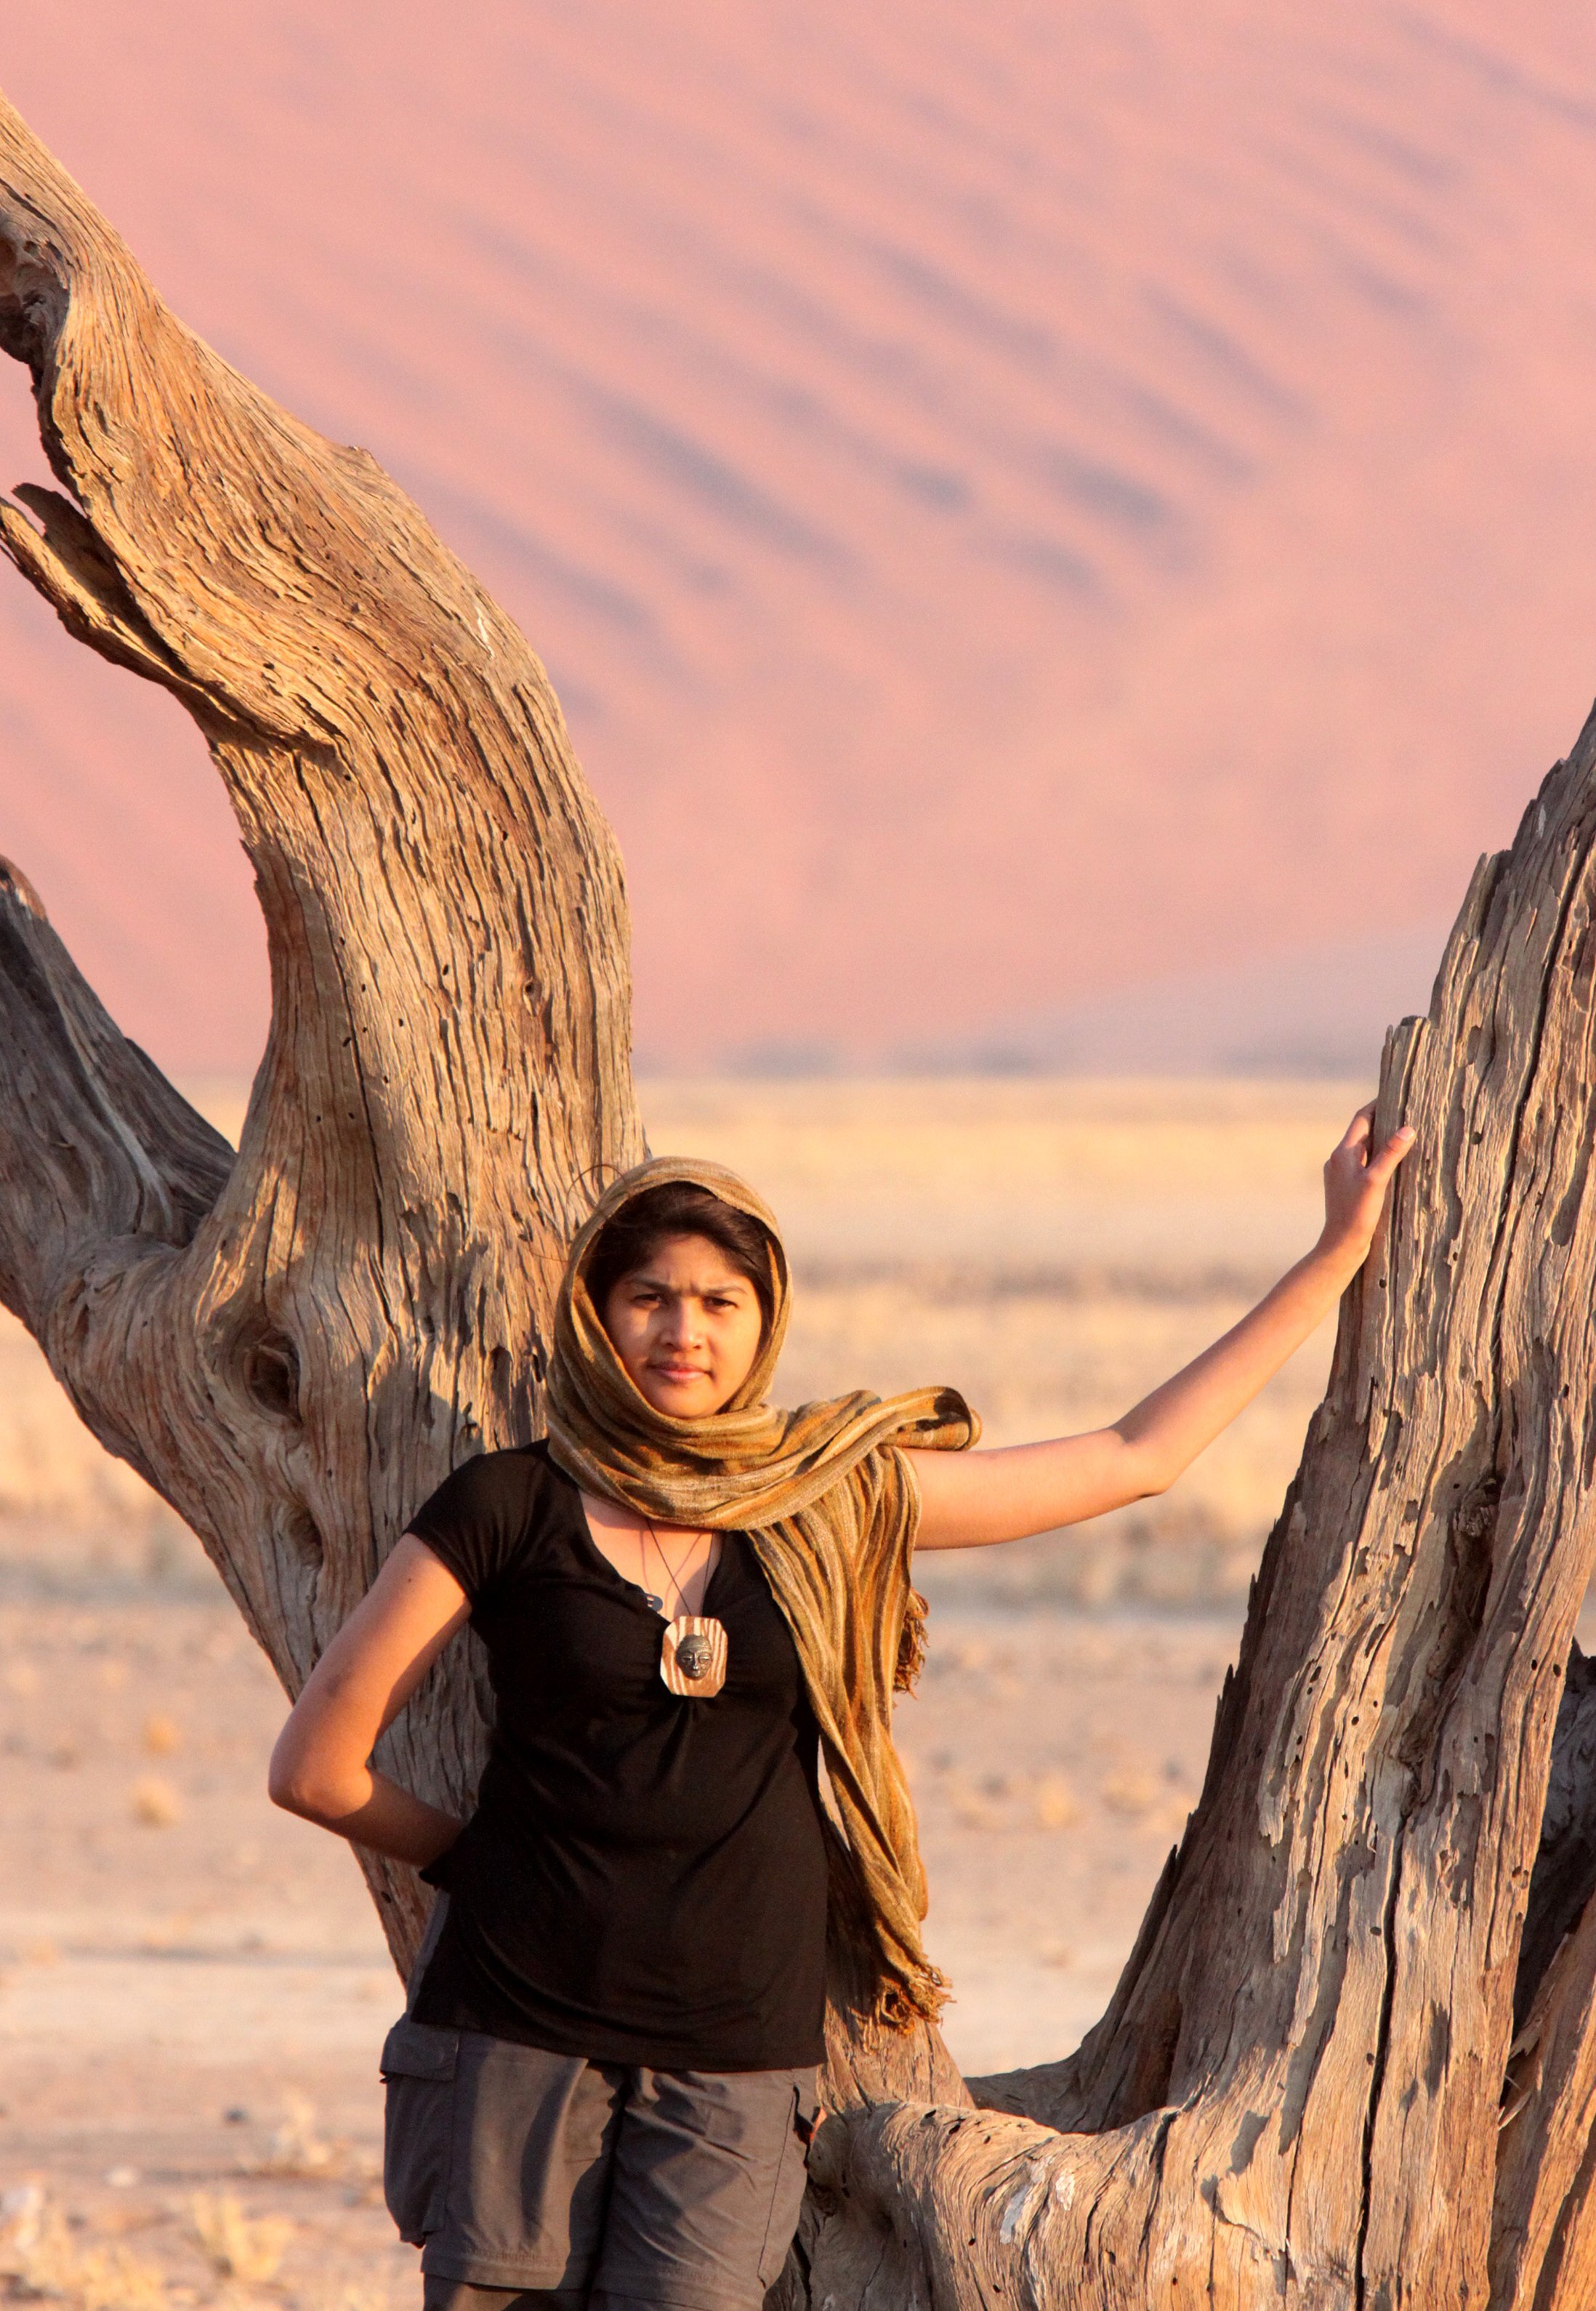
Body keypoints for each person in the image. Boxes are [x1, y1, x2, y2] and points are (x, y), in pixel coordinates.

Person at [268, 1106, 1413, 2311]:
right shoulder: (508, 1503)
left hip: (736, 2051)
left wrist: (1333, 1255)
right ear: (597, 1316)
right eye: (650, 1296)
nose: (683, 1332)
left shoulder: (827, 1500)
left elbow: (1134, 1455)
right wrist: (493, 1863)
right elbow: (315, 1767)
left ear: (766, 1322)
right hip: (514, 2035)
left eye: (721, 1303)